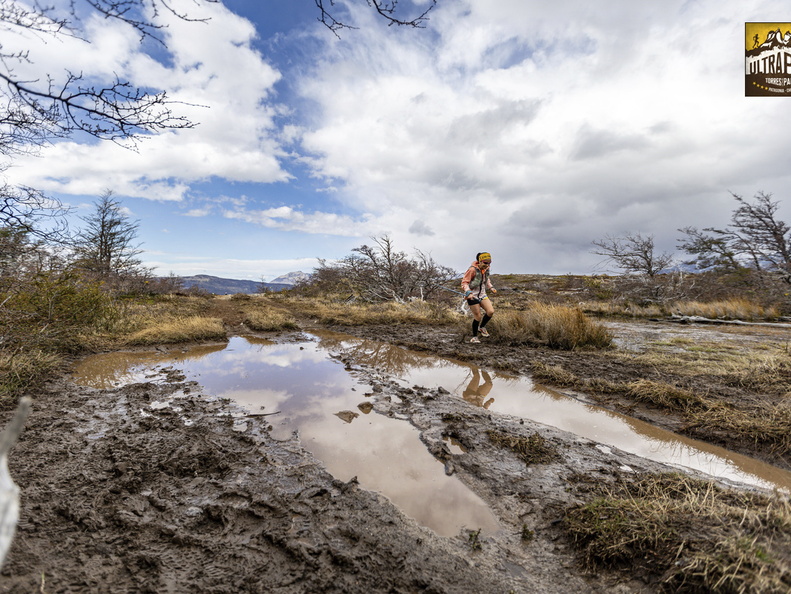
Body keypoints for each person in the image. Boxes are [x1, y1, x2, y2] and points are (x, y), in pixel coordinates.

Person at [461, 252, 496, 343]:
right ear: (480, 261)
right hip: (472, 296)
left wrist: (491, 287)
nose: (487, 265)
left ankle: (482, 327)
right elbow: (464, 283)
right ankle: (474, 337)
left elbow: (486, 279)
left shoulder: (486, 269)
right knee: (478, 316)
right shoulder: (472, 270)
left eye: (489, 263)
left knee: (490, 311)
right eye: (485, 263)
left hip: (483, 295)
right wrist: (468, 292)